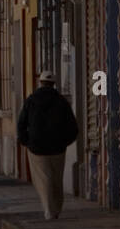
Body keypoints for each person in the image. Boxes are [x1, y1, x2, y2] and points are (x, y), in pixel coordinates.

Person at [17, 70, 79, 220]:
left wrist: (26, 141)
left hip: (37, 147)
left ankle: (49, 210)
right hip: (58, 147)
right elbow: (73, 126)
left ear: (41, 83)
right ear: (53, 84)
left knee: (43, 180)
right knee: (57, 179)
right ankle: (56, 208)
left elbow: (21, 123)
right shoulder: (61, 101)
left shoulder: (31, 100)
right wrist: (65, 142)